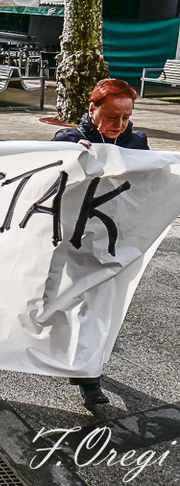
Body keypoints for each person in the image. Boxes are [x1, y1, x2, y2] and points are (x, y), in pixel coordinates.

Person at [51, 78, 148, 405]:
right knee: (66, 303)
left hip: (113, 240)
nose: (119, 125)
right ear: (92, 109)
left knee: (99, 305)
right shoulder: (69, 139)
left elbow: (149, 187)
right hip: (73, 240)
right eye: (111, 117)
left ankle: (88, 375)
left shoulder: (136, 142)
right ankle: (74, 360)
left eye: (126, 117)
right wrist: (70, 155)